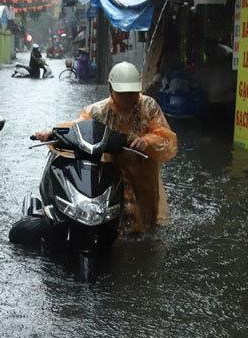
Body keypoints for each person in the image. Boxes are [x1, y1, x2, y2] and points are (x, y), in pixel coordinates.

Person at [33, 61, 178, 232]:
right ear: (111, 89)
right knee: (117, 216)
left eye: (132, 92)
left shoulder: (149, 106)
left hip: (144, 172)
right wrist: (51, 133)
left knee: (147, 222)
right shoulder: (98, 111)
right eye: (122, 93)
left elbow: (165, 137)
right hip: (112, 167)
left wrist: (147, 140)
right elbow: (76, 127)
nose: (128, 97)